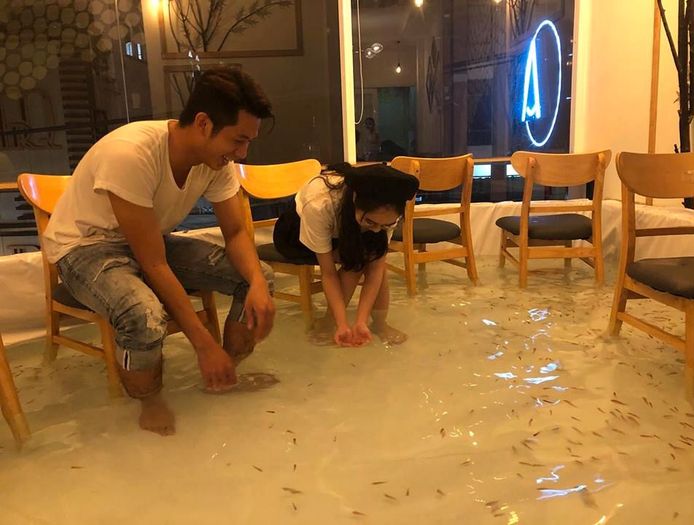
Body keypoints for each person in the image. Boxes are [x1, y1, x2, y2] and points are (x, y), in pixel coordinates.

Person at [42, 67, 276, 436]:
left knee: (257, 278)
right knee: (143, 314)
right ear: (203, 123)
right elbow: (153, 263)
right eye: (238, 140)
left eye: (248, 142)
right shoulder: (131, 153)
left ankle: (224, 372)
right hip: (84, 247)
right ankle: (148, 399)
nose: (242, 153)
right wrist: (203, 344)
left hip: (149, 241)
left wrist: (258, 284)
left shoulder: (217, 161)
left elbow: (234, 232)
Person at [273, 163, 418, 347]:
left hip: (346, 232)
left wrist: (360, 321)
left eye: (385, 225)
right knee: (357, 258)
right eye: (371, 222)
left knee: (371, 256)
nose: (376, 230)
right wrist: (342, 323)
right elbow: (328, 274)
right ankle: (330, 321)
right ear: (355, 200)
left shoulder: (389, 211)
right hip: (295, 234)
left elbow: (376, 269)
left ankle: (378, 324)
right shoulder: (320, 203)